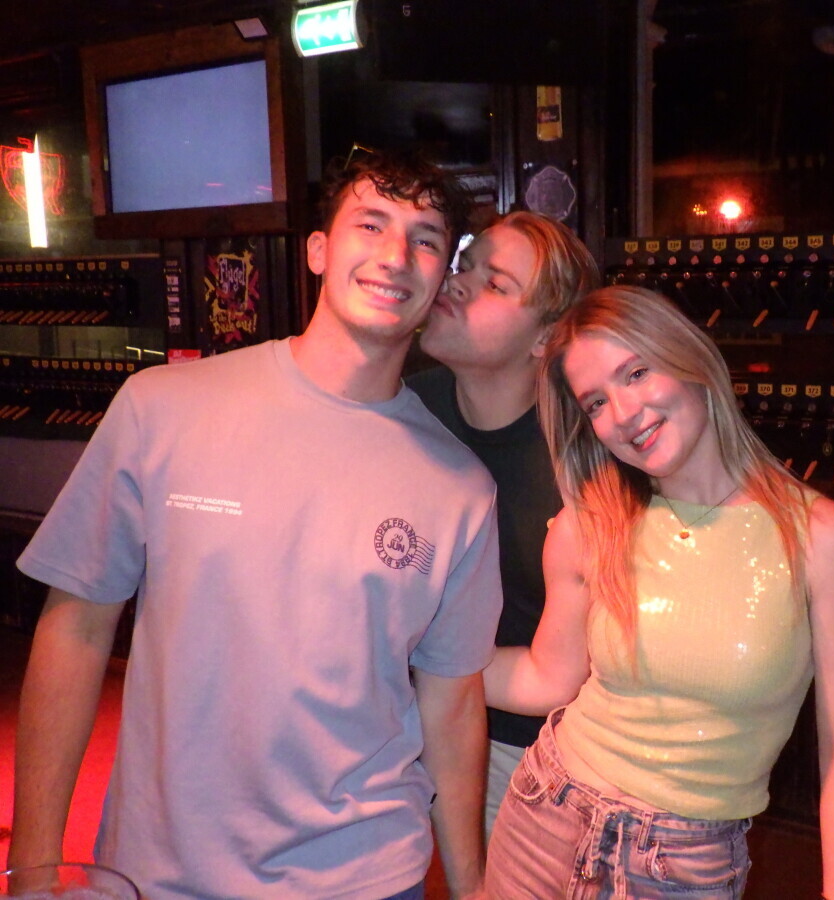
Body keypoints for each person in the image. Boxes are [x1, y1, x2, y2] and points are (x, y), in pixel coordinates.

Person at [8, 148, 502, 900]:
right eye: (371, 224)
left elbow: (453, 702)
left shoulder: (460, 487)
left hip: (366, 876)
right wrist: (34, 865)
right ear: (318, 250)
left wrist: (472, 890)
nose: (396, 255)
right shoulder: (163, 407)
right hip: (162, 872)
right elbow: (75, 629)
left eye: (425, 238)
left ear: (439, 280)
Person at [483, 285, 834, 899]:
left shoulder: (822, 538)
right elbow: (547, 678)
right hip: (545, 822)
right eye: (596, 402)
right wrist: (407, 656)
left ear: (690, 358)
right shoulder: (588, 526)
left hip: (683, 865)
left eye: (636, 372)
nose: (623, 413)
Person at [406, 210, 600, 834]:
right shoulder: (402, 410)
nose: (456, 283)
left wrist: (387, 652)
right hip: (399, 724)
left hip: (533, 754)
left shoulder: (584, 457)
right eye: (463, 266)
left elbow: (562, 677)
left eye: (495, 283)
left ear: (547, 337)